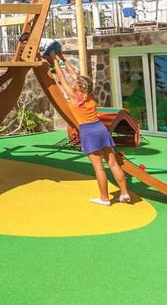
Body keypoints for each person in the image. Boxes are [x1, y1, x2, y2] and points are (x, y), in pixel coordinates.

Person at [52, 59, 131, 206]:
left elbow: (62, 77)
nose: (73, 82)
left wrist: (53, 60)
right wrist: (62, 58)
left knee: (99, 168)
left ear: (78, 86)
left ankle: (104, 199)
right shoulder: (90, 95)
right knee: (113, 164)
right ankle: (125, 193)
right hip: (101, 129)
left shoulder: (74, 97)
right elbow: (76, 76)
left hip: (88, 132)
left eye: (75, 82)